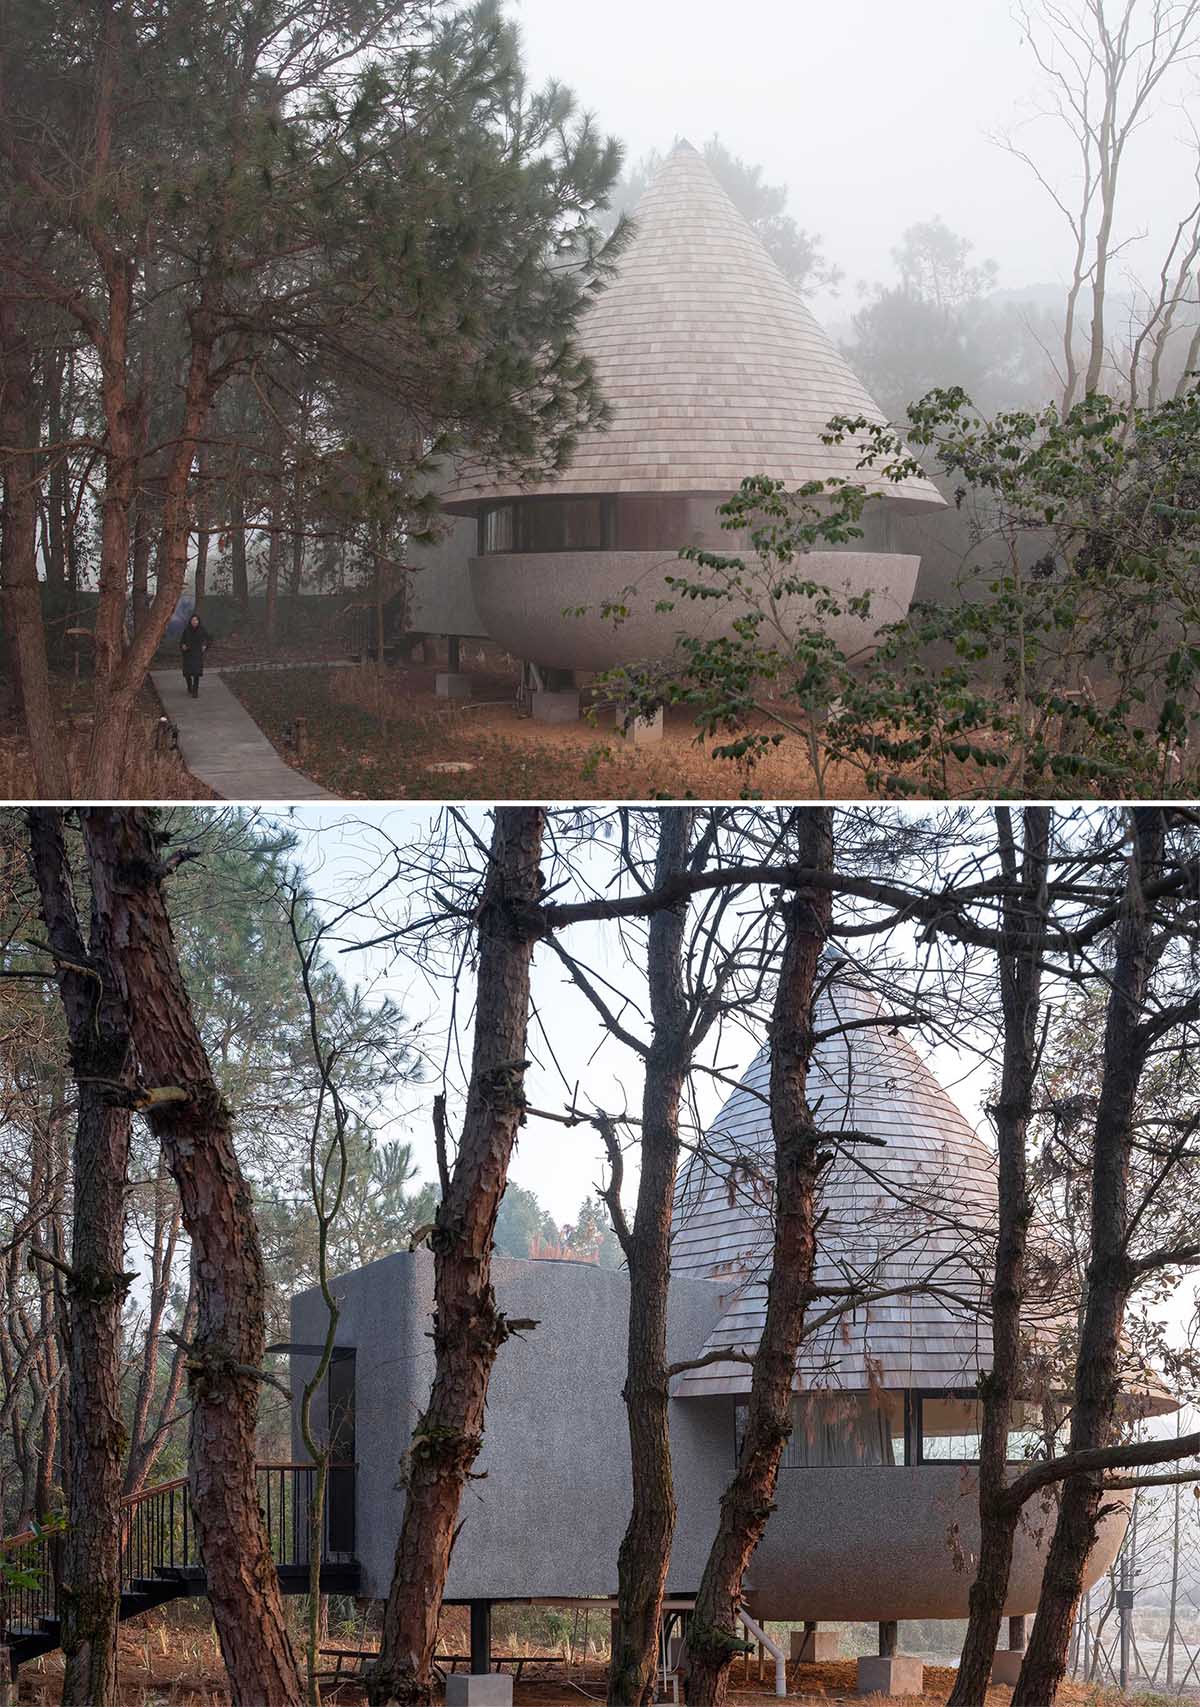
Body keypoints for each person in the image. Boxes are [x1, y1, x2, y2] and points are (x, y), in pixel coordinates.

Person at [180, 612, 211, 698]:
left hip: (197, 654)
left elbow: (208, 639)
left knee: (196, 673)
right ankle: (189, 686)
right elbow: (182, 641)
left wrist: (205, 645)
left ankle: (195, 691)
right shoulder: (186, 630)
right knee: (187, 674)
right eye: (193, 620)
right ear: (190, 621)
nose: (194, 621)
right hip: (188, 654)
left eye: (196, 620)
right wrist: (183, 646)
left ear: (198, 621)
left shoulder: (202, 629)